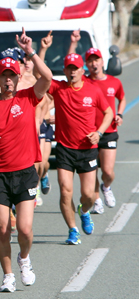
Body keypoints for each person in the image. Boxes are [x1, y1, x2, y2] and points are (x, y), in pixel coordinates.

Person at [0, 28, 52, 292]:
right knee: (4, 228)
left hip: (25, 171)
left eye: (12, 76)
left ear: (18, 78)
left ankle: (24, 259)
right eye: (4, 76)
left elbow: (48, 78)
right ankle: (8, 275)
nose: (8, 81)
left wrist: (30, 52)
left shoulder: (28, 97)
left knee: (25, 230)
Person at [38, 31, 113, 245]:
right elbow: (41, 74)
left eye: (75, 69)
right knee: (65, 191)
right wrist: (42, 49)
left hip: (87, 149)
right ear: (65, 70)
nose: (72, 72)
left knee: (88, 195)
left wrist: (99, 132)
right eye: (68, 69)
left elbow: (108, 113)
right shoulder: (59, 89)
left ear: (82, 70)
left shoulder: (94, 91)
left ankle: (83, 210)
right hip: (65, 149)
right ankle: (72, 230)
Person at [68, 30, 126, 213]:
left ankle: (106, 187)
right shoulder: (84, 81)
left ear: (102, 61)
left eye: (97, 60)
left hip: (108, 131)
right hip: (88, 133)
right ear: (86, 65)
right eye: (90, 61)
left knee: (107, 172)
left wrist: (120, 114)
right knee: (92, 170)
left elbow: (122, 98)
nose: (94, 63)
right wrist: (74, 43)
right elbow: (70, 61)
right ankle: (97, 200)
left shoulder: (113, 82)